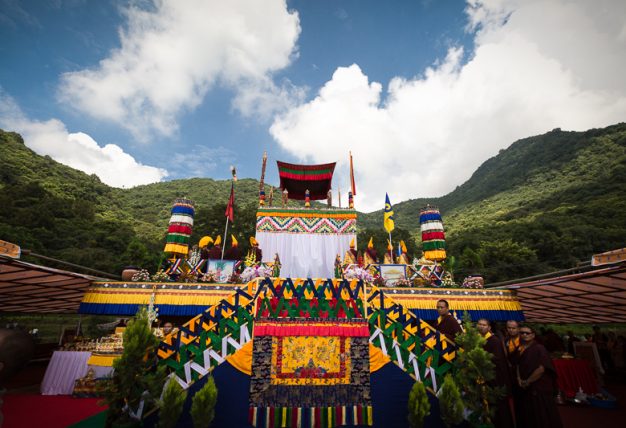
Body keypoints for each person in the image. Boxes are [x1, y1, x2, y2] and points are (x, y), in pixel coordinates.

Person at [516, 325, 563, 428]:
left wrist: (527, 381)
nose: (524, 335)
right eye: (522, 333)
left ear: (533, 335)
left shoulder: (539, 348)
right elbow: (518, 364)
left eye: (527, 333)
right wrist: (519, 378)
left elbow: (542, 368)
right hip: (525, 388)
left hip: (538, 387)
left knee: (542, 416)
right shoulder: (520, 348)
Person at [477, 319, 514, 428]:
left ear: (489, 328)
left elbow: (497, 360)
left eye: (484, 325)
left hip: (495, 378)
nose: (481, 327)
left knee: (498, 406)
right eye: (479, 324)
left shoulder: (494, 341)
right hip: (482, 376)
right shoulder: (477, 340)